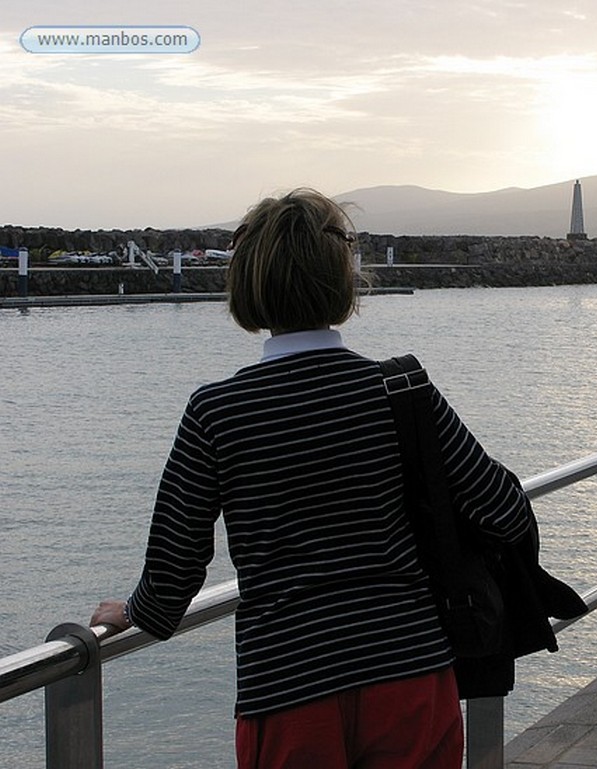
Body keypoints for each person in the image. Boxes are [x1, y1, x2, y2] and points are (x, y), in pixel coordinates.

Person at [91, 188, 533, 768]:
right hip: (410, 672)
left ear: (246, 286)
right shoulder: (401, 392)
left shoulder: (216, 414)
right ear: (344, 282)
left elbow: (173, 577)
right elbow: (504, 508)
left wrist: (132, 611)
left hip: (288, 689)